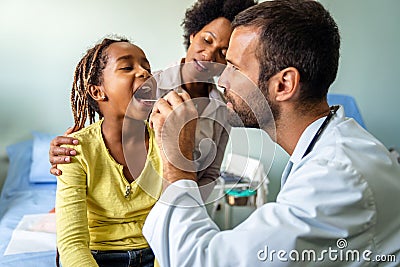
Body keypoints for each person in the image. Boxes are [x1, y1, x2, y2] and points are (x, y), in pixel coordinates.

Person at [144, 1, 400, 266]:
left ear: (284, 84)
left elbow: (199, 261)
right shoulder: (335, 146)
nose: (222, 80)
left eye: (234, 68)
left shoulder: (335, 177)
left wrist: (177, 161)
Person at [48, 0, 257, 201]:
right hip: (133, 209)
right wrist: (64, 151)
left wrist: (184, 206)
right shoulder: (143, 87)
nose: (209, 55)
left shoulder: (221, 110)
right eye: (207, 40)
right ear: (193, 35)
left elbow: (211, 173)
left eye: (223, 51)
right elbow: (103, 142)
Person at [56, 36, 161, 267]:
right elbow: (72, 243)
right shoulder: (75, 150)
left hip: (158, 252)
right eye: (127, 67)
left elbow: (173, 226)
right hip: (98, 257)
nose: (144, 73)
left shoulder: (166, 141)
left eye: (147, 67)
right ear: (97, 91)